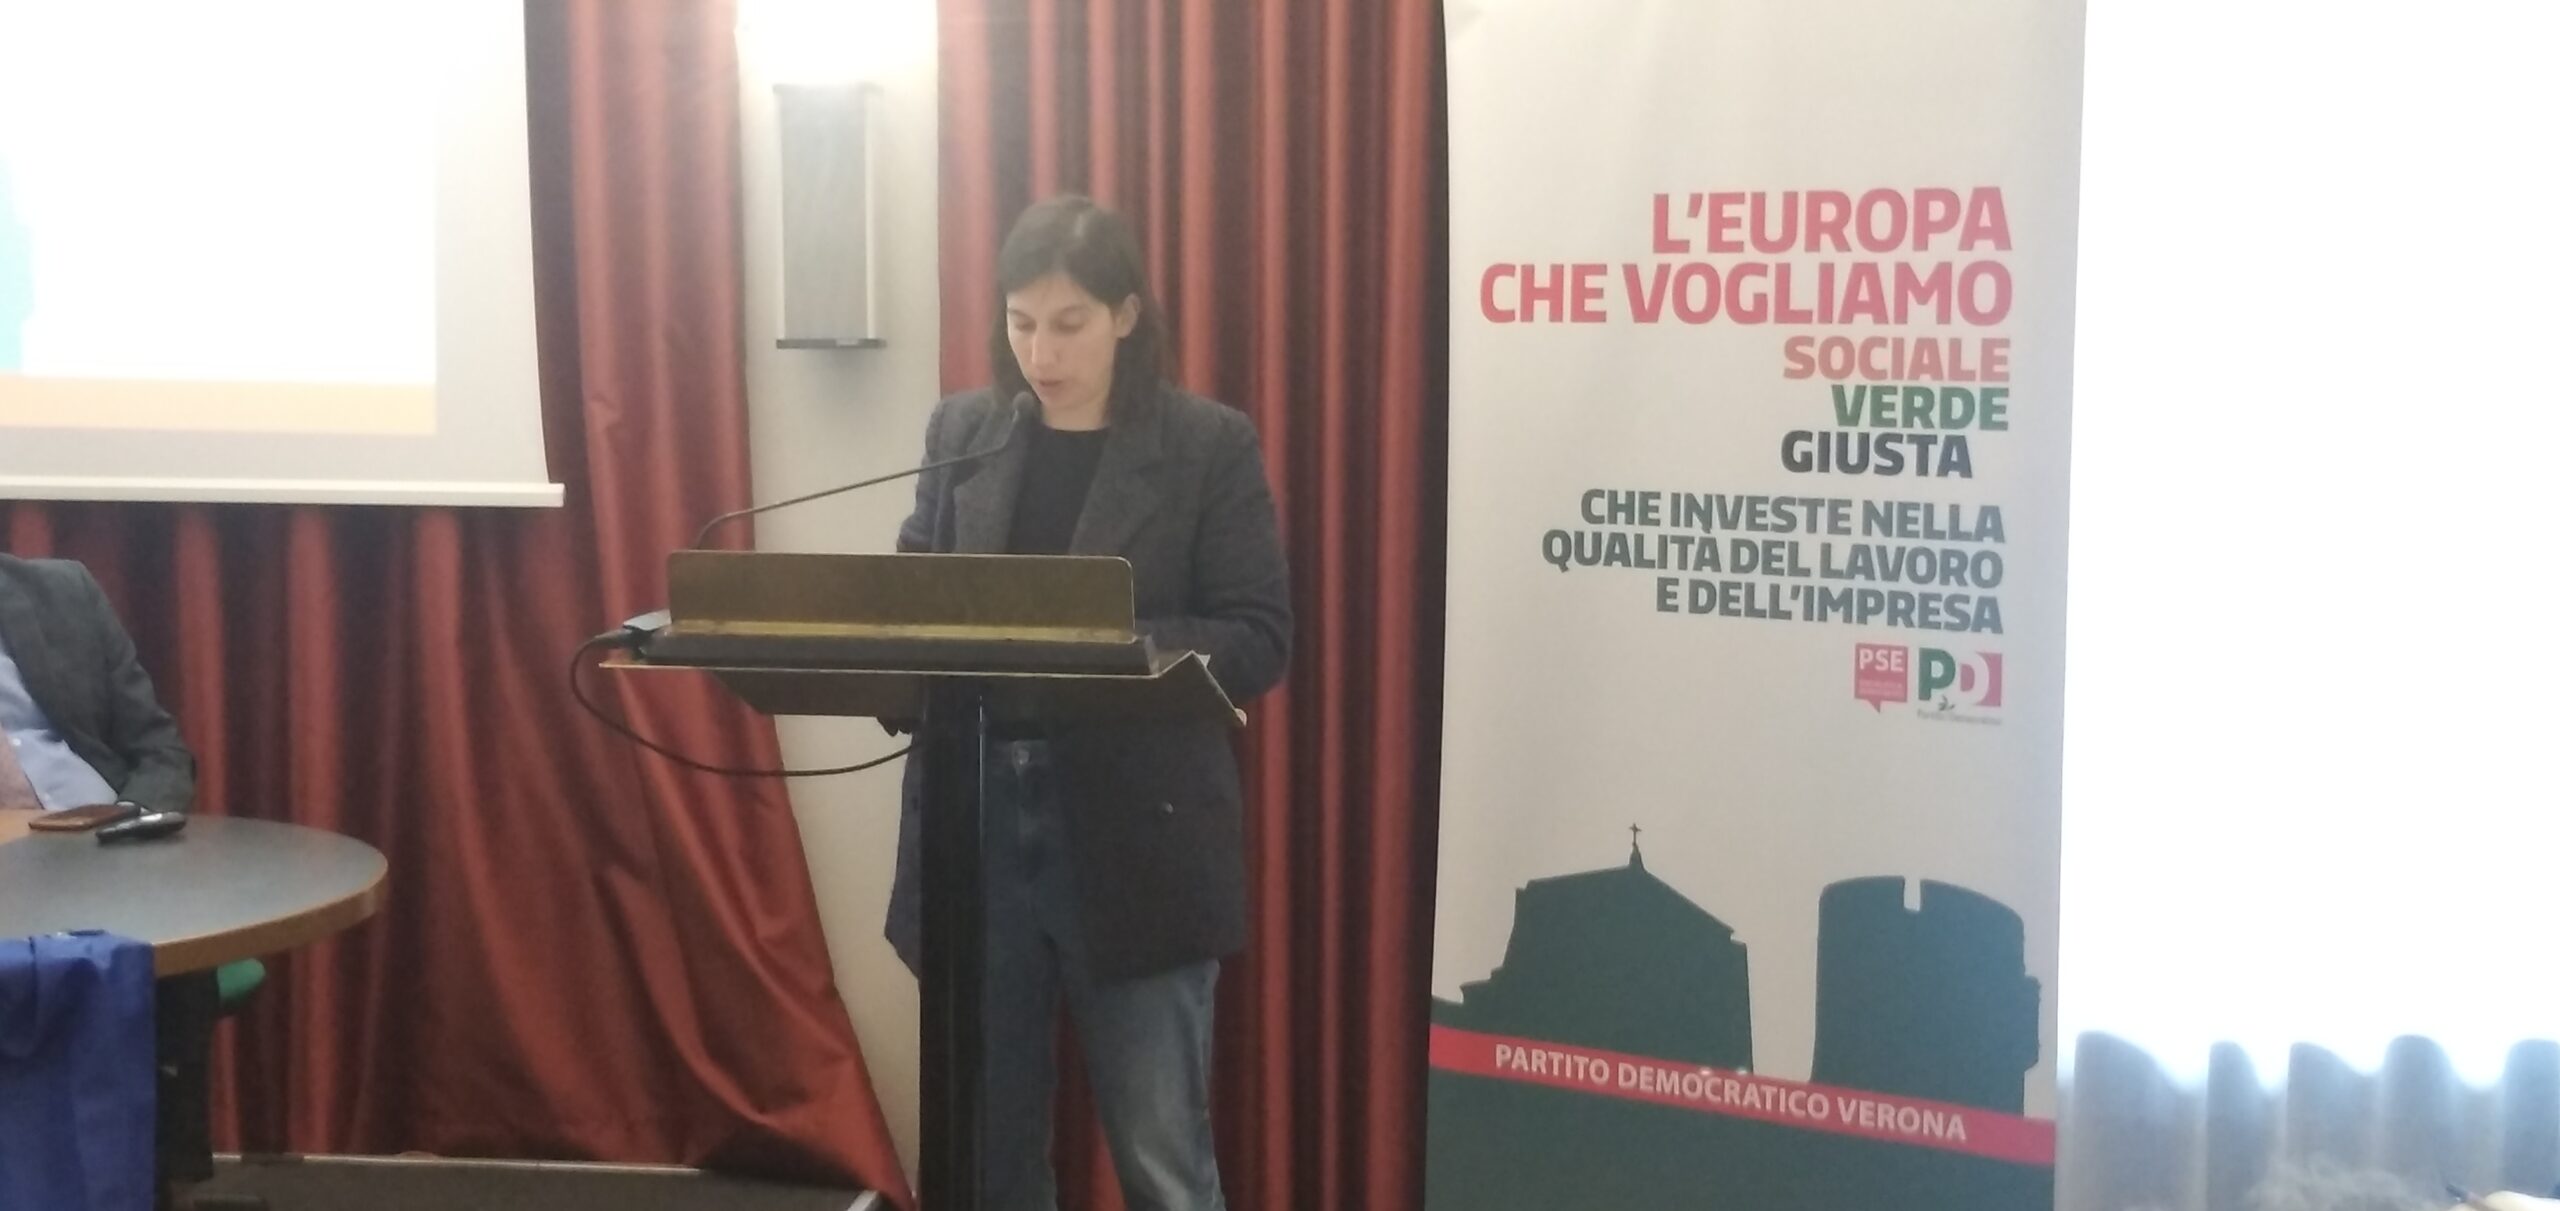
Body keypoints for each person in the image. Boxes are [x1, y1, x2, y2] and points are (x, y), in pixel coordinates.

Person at [887, 195, 1292, 1211]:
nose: (1042, 353)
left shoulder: (1206, 445)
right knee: (987, 1157)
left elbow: (1258, 633)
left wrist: (1106, 646)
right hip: (977, 821)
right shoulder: (965, 430)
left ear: (1125, 314)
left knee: (1162, 1162)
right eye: (1022, 322)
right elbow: (913, 593)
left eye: (1068, 323)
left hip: (1134, 829)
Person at [0, 552, 218, 1207]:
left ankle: (160, 1182)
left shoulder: (61, 592)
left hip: (100, 849)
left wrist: (130, 824)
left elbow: (160, 749)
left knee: (170, 941)